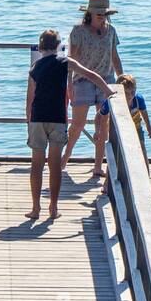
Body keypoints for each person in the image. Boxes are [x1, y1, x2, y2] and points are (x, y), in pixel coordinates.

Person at [26, 29, 112, 221]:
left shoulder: (34, 67)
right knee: (55, 166)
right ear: (58, 47)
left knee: (36, 165)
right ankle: (53, 208)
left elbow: (29, 99)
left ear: (40, 48)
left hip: (37, 118)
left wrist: (28, 122)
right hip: (58, 118)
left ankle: (35, 208)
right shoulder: (66, 63)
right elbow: (92, 75)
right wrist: (107, 90)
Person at [63, 0, 124, 177]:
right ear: (89, 13)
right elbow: (71, 58)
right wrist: (69, 83)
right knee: (78, 123)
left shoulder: (111, 30)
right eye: (98, 13)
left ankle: (98, 165)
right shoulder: (78, 31)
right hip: (82, 80)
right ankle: (66, 157)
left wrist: (122, 79)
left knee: (103, 124)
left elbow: (114, 56)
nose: (101, 16)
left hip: (106, 80)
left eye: (104, 13)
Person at [118, 74, 151, 154]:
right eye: (126, 93)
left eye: (132, 92)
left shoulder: (138, 99)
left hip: (136, 127)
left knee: (142, 149)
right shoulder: (116, 101)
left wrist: (149, 127)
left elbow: (144, 113)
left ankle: (146, 167)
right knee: (118, 151)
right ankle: (112, 167)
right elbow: (101, 116)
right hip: (119, 129)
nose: (130, 95)